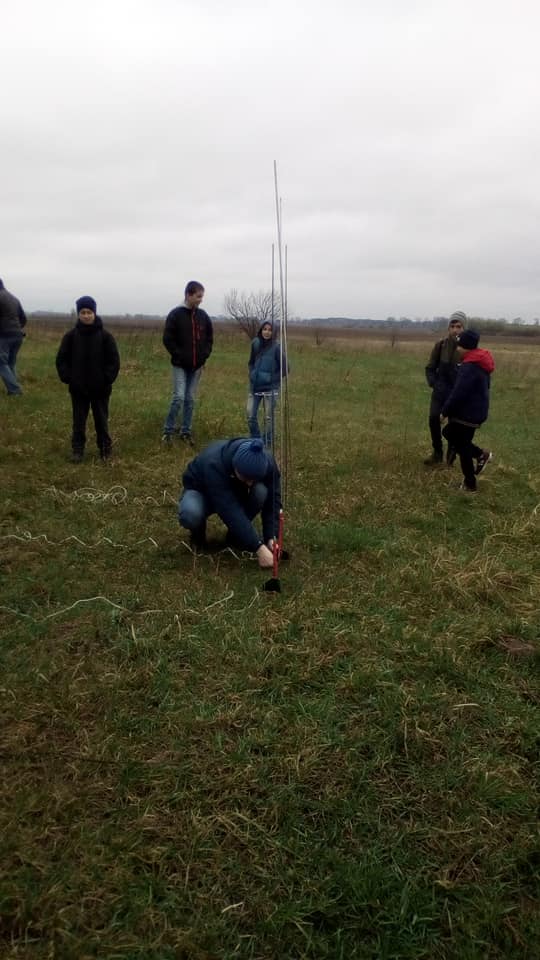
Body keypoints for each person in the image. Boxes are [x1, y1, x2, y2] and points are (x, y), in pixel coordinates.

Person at [178, 437, 280, 568]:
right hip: (201, 491)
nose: (250, 483)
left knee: (261, 491)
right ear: (234, 466)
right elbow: (228, 509)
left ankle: (235, 537)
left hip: (232, 493)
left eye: (254, 479)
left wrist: (272, 536)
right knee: (191, 513)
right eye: (245, 477)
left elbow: (273, 501)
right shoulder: (213, 464)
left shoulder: (267, 463)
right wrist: (258, 547)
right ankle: (198, 536)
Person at [56, 296, 120, 462]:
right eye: (83, 312)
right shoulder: (70, 337)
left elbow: (114, 361)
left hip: (100, 389)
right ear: (78, 314)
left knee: (101, 421)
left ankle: (105, 449)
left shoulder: (106, 337)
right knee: (78, 422)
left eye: (89, 312)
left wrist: (107, 379)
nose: (86, 315)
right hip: (78, 389)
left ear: (94, 313)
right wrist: (68, 377)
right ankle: (78, 450)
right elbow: (61, 359)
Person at [441, 329, 494, 492]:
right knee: (459, 442)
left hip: (466, 414)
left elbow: (459, 393)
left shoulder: (470, 366)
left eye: (460, 346)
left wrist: (445, 411)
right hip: (475, 412)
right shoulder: (480, 362)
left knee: (455, 439)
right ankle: (471, 478)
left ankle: (478, 461)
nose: (457, 349)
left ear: (467, 347)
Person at [162, 280, 213, 444]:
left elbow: (209, 339)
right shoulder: (175, 315)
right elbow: (167, 339)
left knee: (190, 399)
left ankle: (186, 431)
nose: (201, 299)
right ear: (188, 295)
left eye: (202, 296)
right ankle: (168, 431)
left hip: (197, 366)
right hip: (179, 365)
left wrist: (203, 356)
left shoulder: (203, 316)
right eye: (198, 296)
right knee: (179, 397)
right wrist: (178, 355)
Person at [424, 311, 466, 465]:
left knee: (455, 426)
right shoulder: (440, 345)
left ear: (464, 328)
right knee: (433, 419)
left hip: (457, 395)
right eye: (453, 326)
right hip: (440, 392)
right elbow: (430, 368)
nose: (455, 329)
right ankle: (437, 453)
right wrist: (434, 383)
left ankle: (451, 453)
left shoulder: (467, 349)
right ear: (448, 328)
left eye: (459, 326)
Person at [246, 320, 287, 447]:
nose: (267, 332)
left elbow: (285, 368)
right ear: (261, 330)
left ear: (273, 332)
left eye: (270, 330)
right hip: (255, 386)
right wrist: (252, 374)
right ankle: (256, 439)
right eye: (265, 329)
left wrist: (272, 379)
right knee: (250, 414)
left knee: (269, 417)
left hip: (271, 388)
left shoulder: (277, 347)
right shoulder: (255, 344)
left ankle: (268, 441)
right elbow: (251, 362)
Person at [0, 278, 27, 396]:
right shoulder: (14, 298)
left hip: (4, 335)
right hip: (18, 335)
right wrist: (16, 328)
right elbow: (24, 318)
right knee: (10, 363)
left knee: (1, 363)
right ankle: (13, 390)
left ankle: (15, 390)